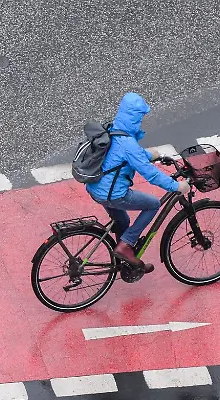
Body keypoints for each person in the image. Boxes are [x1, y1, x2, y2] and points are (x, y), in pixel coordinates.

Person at [85, 92, 190, 273]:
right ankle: (126, 246)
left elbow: (126, 156)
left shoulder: (112, 129)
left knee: (123, 219)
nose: (141, 121)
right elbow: (151, 175)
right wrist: (177, 186)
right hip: (114, 194)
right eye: (140, 117)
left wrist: (150, 155)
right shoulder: (128, 144)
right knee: (153, 204)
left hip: (95, 188)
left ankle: (124, 260)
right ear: (134, 118)